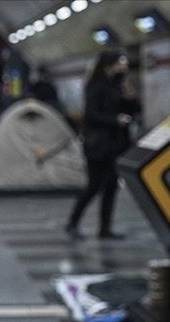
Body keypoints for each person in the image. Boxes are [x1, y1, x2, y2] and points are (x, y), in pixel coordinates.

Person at [65, 50, 141, 240]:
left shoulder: (118, 85)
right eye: (120, 63)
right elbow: (91, 115)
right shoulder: (95, 86)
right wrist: (115, 120)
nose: (123, 67)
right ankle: (73, 222)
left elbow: (134, 109)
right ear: (109, 65)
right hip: (98, 145)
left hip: (116, 144)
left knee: (111, 186)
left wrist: (131, 99)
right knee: (94, 185)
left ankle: (105, 228)